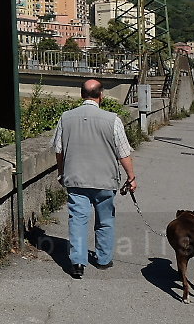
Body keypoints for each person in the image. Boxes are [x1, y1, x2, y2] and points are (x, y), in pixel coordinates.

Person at [52, 79, 137, 279]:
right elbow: (123, 153)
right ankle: (103, 259)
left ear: (82, 95)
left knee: (78, 221)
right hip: (105, 179)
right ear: (101, 96)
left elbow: (59, 150)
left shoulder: (66, 118)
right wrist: (131, 177)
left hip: (76, 179)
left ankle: (77, 263)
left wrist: (62, 171)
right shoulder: (112, 119)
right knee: (105, 220)